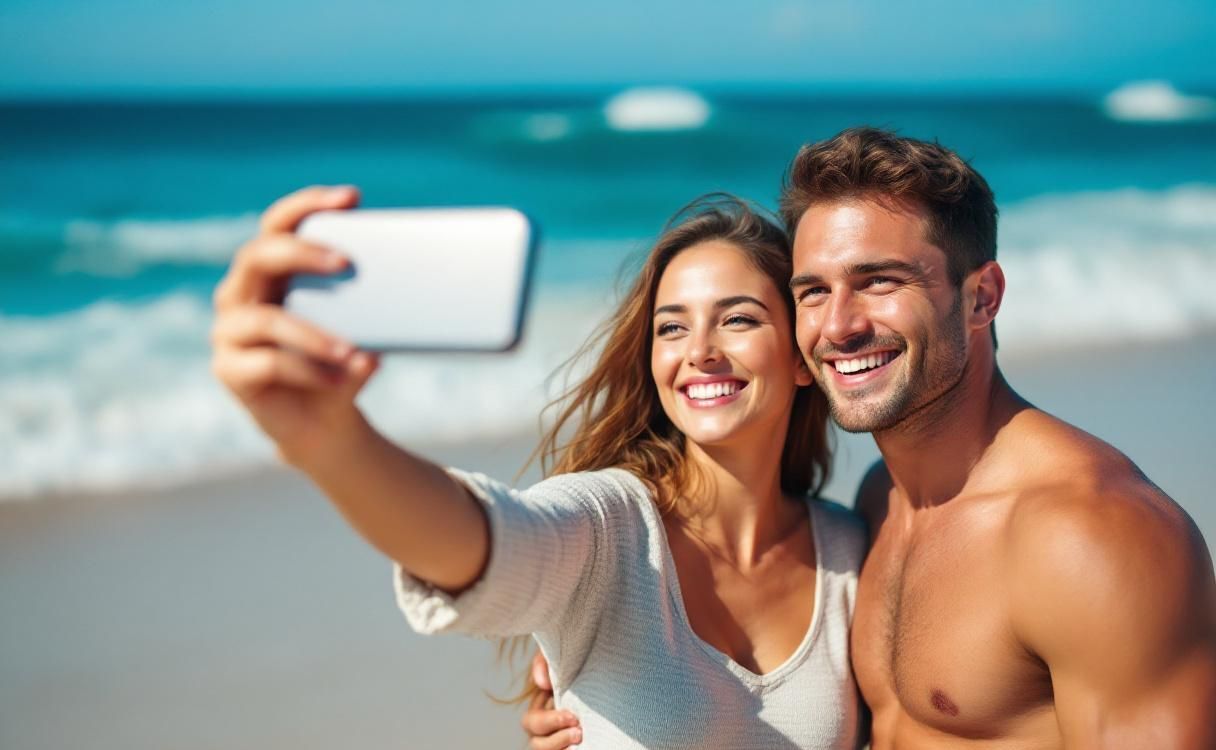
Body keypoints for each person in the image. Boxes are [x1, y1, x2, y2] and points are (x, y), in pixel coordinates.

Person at [525, 127, 1216, 748]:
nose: (839, 325)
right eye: (813, 291)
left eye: (878, 282)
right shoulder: (877, 506)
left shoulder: (1092, 535)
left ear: (982, 297)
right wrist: (610, 701)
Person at [210, 189, 869, 749]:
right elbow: (483, 544)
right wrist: (331, 441)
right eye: (671, 329)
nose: (699, 352)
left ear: (802, 358)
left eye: (739, 319)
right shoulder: (606, 526)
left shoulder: (847, 552)